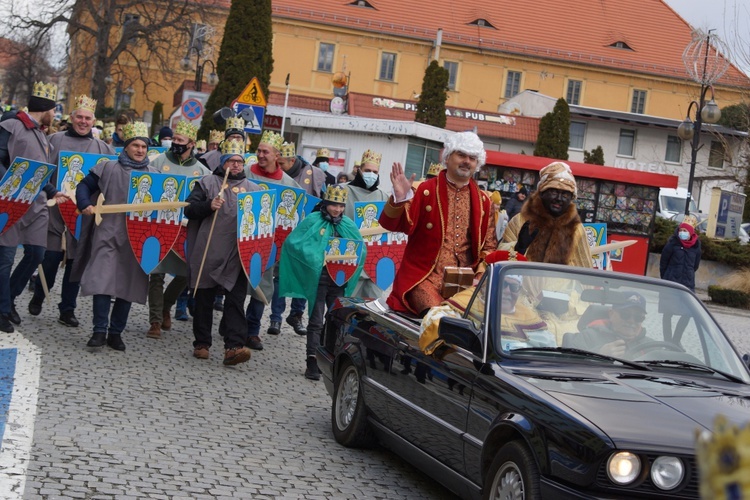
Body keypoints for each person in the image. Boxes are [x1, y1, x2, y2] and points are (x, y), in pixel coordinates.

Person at [379, 131, 498, 315]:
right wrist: (400, 199)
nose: (467, 161)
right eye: (461, 155)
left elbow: (489, 247)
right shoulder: (424, 189)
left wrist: (480, 278)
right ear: (448, 157)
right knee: (438, 318)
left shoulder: (484, 200)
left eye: (472, 158)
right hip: (425, 278)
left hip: (467, 283)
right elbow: (395, 225)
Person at [29, 94, 115, 328]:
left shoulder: (102, 148)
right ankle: (39, 293)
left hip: (83, 216)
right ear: (71, 117)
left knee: (76, 266)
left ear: (93, 121)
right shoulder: (54, 141)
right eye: (79, 117)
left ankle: (67, 309)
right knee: (49, 259)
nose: (83, 121)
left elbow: (108, 179)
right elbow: (43, 170)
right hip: (55, 213)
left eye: (88, 118)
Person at [73, 121, 157, 351]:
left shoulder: (155, 175)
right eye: (136, 145)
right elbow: (83, 186)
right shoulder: (108, 168)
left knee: (128, 285)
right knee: (102, 280)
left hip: (137, 238)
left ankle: (116, 333)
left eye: (144, 146)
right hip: (108, 231)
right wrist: (84, 204)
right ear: (126, 146)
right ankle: (99, 331)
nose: (140, 150)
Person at [0, 81, 68, 333]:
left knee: (36, 254)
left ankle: (9, 299)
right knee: (5, 258)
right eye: (54, 110)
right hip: (10, 202)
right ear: (47, 109)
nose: (55, 115)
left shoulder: (42, 134)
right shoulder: (10, 126)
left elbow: (38, 172)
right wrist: (12, 182)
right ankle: (3, 308)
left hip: (36, 205)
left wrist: (53, 191)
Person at [279, 184, 365, 380]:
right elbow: (294, 244)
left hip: (339, 283)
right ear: (326, 204)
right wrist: (317, 256)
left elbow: (361, 249)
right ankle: (312, 361)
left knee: (335, 322)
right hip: (319, 281)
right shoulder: (312, 220)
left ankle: (327, 358)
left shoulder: (348, 225)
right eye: (334, 205)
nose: (337, 209)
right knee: (316, 321)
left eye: (341, 205)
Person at [184, 139, 256, 366]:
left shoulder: (254, 190)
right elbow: (189, 209)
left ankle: (233, 346)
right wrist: (208, 206)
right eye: (231, 161)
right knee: (204, 298)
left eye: (239, 161)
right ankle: (202, 343)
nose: (235, 165)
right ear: (223, 162)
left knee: (235, 301)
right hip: (209, 249)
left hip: (237, 254)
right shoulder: (206, 183)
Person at [146, 120, 211, 339]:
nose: (175, 143)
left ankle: (167, 304)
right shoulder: (157, 161)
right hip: (160, 223)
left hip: (185, 226)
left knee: (185, 272)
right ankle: (155, 319)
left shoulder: (202, 171)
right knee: (156, 272)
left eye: (180, 140)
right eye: (174, 139)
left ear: (191, 144)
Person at [244, 130, 302, 350]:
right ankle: (231, 325)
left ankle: (252, 331)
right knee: (238, 284)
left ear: (277, 155)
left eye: (265, 151)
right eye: (258, 150)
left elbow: (296, 216)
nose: (260, 155)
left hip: (269, 244)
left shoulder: (289, 184)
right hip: (245, 237)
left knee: (262, 286)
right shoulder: (247, 173)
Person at [271, 141, 327, 335]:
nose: (280, 168)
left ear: (292, 160)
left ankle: (296, 315)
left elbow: (325, 201)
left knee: (305, 275)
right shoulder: (279, 178)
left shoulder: (314, 175)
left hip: (307, 235)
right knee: (279, 276)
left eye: (283, 164)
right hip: (282, 233)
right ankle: (275, 318)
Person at [501, 162, 593, 268]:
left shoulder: (576, 229)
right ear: (542, 193)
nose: (559, 199)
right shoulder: (521, 221)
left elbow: (585, 270)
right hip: (522, 284)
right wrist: (518, 247)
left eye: (565, 194)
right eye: (554, 192)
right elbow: (499, 260)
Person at [344, 149, 390, 298]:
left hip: (374, 263)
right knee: (346, 307)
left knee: (372, 309)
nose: (371, 175)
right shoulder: (343, 191)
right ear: (359, 170)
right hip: (350, 257)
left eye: (375, 172)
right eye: (367, 170)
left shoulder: (383, 196)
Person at [566, 292, 650, 358]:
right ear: (611, 313)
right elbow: (568, 366)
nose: (631, 321)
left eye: (638, 318)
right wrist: (599, 355)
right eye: (625, 315)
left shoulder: (652, 346)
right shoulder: (587, 337)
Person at [659, 220, 701, 343]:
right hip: (671, 283)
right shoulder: (672, 244)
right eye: (681, 230)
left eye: (685, 231)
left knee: (688, 313)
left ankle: (676, 339)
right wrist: (666, 278)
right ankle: (667, 341)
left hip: (687, 284)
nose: (682, 233)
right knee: (668, 313)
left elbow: (695, 266)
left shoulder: (696, 247)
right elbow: (663, 263)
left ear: (691, 232)